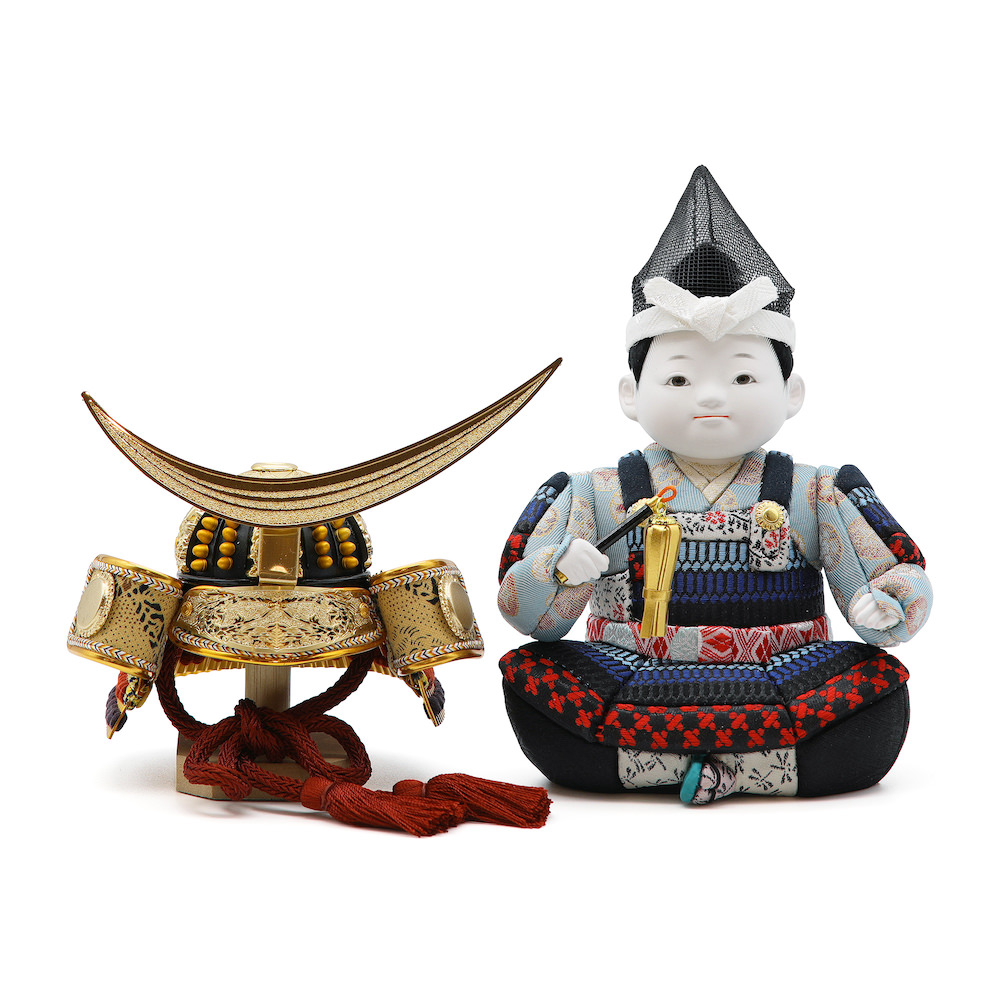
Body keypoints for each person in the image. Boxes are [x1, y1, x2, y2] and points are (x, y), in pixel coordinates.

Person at [497, 166, 931, 804]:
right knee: (537, 680)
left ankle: (657, 765)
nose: (709, 396)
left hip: (781, 671)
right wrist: (559, 571)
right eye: (677, 379)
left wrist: (883, 607)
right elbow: (528, 617)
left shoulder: (816, 491)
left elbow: (893, 570)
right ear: (630, 394)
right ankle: (760, 767)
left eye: (743, 377)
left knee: (877, 697)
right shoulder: (594, 492)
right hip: (636, 669)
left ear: (791, 393)